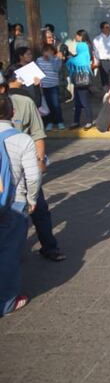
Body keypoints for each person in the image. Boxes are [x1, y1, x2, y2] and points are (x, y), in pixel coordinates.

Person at [0, 70, 64, 262]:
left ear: (3, 88)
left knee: (39, 209)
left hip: (22, 170)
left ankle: (49, 246)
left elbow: (37, 133)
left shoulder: (24, 104)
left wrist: (40, 161)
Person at [0, 93, 40, 316]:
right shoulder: (22, 139)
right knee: (8, 253)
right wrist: (32, 199)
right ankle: (6, 302)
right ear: (12, 113)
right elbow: (33, 177)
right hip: (14, 203)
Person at [66, 29, 96, 129]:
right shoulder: (88, 45)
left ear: (80, 36)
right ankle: (76, 121)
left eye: (77, 36)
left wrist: (70, 59)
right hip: (83, 75)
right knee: (78, 101)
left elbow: (79, 60)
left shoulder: (81, 45)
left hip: (80, 76)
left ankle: (89, 121)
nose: (75, 37)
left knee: (83, 101)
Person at [35, 44, 64, 130]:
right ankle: (50, 122)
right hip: (44, 86)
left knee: (56, 104)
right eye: (45, 51)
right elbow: (37, 71)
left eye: (49, 51)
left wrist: (51, 59)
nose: (47, 53)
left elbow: (56, 69)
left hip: (53, 85)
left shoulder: (56, 59)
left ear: (53, 51)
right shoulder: (39, 60)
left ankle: (60, 121)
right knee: (48, 105)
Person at [93, 21, 110, 92]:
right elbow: (96, 52)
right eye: (107, 27)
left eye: (109, 27)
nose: (109, 28)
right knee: (105, 80)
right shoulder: (97, 39)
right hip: (104, 62)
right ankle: (107, 94)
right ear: (102, 29)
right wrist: (97, 62)